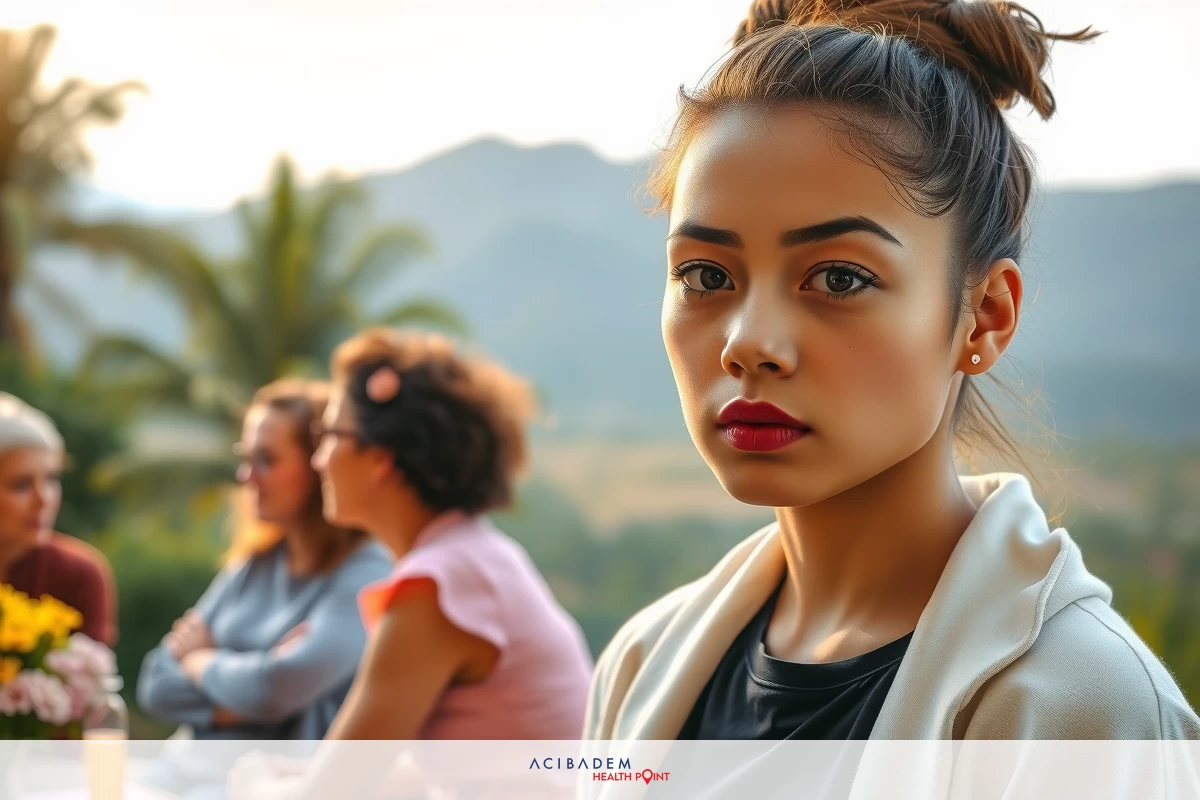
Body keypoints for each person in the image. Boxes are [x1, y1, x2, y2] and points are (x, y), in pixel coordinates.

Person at [585, 0, 1200, 745]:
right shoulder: (640, 666)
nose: (749, 344)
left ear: (985, 317)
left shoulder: (1082, 714)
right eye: (707, 276)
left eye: (839, 279)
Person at [227, 329, 593, 799]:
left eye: (330, 435)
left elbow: (334, 791)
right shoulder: (474, 555)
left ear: (380, 459)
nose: (319, 460)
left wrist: (252, 780)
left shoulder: (438, 585)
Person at [137, 378, 391, 741]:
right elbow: (156, 683)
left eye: (266, 460)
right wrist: (255, 691)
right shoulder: (252, 564)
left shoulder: (365, 576)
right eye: (246, 458)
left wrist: (200, 661)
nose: (246, 477)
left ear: (320, 465)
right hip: (181, 774)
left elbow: (273, 691)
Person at [0, 392, 117, 647]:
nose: (44, 500)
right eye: (21, 485)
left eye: (52, 479)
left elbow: (90, 677)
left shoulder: (79, 575)